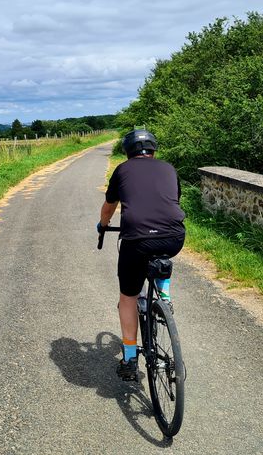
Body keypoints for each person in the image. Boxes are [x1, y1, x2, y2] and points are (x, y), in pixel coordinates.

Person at [97, 129, 186, 381]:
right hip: (174, 236)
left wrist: (103, 225)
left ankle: (129, 358)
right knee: (162, 255)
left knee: (128, 297)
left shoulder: (122, 170)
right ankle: (164, 295)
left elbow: (109, 207)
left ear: (127, 152)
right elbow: (173, 200)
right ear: (153, 150)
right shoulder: (168, 168)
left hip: (136, 240)